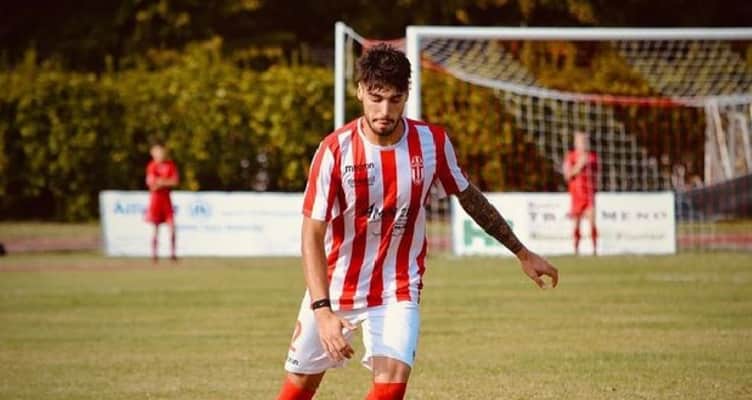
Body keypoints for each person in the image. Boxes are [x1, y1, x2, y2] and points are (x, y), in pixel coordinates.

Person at [276, 44, 558, 400]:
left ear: (406, 95)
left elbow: (469, 197)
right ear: (360, 91)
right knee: (298, 390)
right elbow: (311, 234)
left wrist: (522, 252)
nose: (384, 111)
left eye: (394, 99)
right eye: (376, 98)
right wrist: (322, 311)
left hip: (397, 286)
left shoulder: (432, 143)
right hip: (335, 286)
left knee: (391, 388)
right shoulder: (334, 150)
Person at [562, 131, 599, 256]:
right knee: (576, 225)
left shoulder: (593, 157)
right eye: (581, 141)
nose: (583, 143)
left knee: (592, 222)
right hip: (576, 195)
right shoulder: (570, 156)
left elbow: (597, 175)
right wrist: (579, 165)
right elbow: (567, 176)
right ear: (576, 143)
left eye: (585, 141)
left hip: (589, 195)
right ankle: (576, 250)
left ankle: (595, 250)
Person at [144, 142, 179, 263]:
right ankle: (154, 255)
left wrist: (161, 182)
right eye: (157, 152)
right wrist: (164, 182)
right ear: (153, 153)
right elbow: (151, 184)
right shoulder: (151, 166)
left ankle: (173, 254)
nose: (160, 154)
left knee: (172, 227)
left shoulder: (170, 165)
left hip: (166, 200)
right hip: (155, 200)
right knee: (155, 228)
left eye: (162, 152)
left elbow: (175, 181)